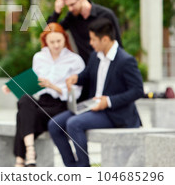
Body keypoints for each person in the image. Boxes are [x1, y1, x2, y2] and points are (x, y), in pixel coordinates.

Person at [48, 18, 144, 167]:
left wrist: (109, 101)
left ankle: (85, 169)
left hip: (114, 113)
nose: (90, 43)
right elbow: (87, 75)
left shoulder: (126, 60)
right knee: (54, 124)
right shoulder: (95, 56)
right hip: (92, 106)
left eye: (93, 39)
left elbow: (138, 90)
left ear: (105, 39)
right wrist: (76, 78)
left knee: (73, 124)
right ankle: (72, 167)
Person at [2, 23, 85, 167]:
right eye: (52, 42)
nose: (56, 45)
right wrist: (12, 86)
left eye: (59, 41)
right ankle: (30, 150)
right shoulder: (39, 57)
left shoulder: (75, 60)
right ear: (45, 41)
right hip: (42, 101)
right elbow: (34, 81)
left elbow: (76, 92)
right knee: (25, 100)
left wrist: (53, 86)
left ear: (65, 39)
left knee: (22, 117)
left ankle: (21, 160)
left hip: (60, 105)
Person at [47, 0, 122, 65]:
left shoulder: (106, 15)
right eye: (67, 6)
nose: (70, 9)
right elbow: (49, 32)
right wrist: (57, 12)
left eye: (72, 4)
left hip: (107, 66)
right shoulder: (71, 18)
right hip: (85, 68)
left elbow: (118, 44)